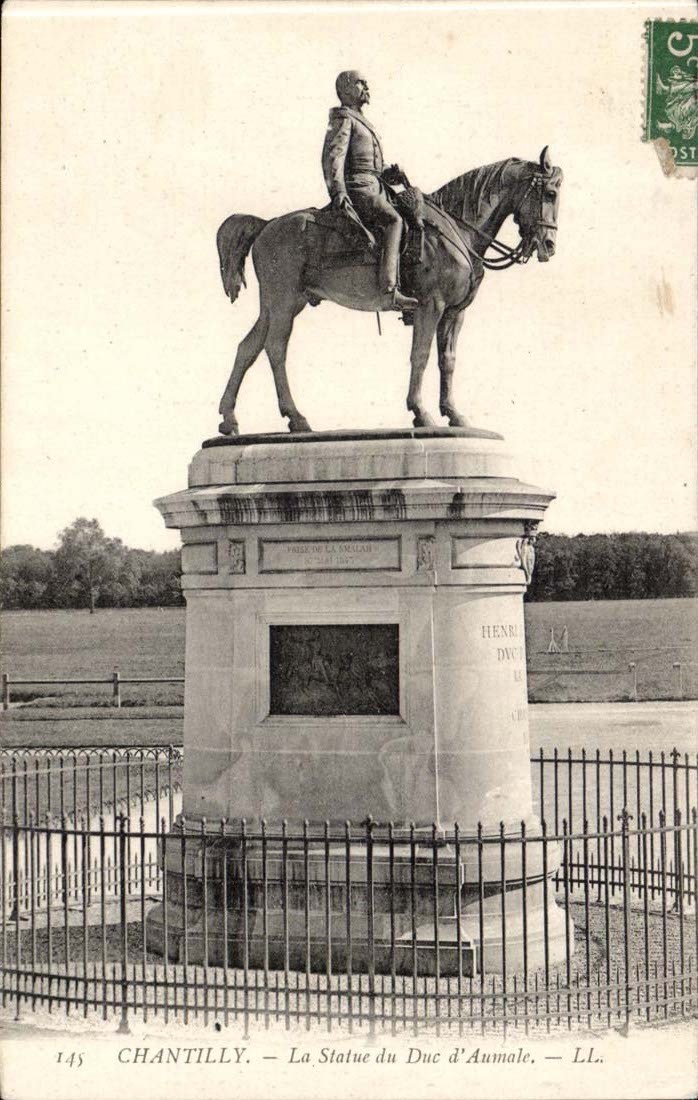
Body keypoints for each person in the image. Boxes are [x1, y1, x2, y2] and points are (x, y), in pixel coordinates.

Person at [321, 70, 418, 311]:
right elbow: (333, 158)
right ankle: (389, 289)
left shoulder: (361, 121)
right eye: (360, 83)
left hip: (376, 185)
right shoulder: (344, 118)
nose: (366, 87)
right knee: (393, 220)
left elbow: (370, 165)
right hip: (359, 188)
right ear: (345, 89)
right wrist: (338, 192)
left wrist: (389, 173)